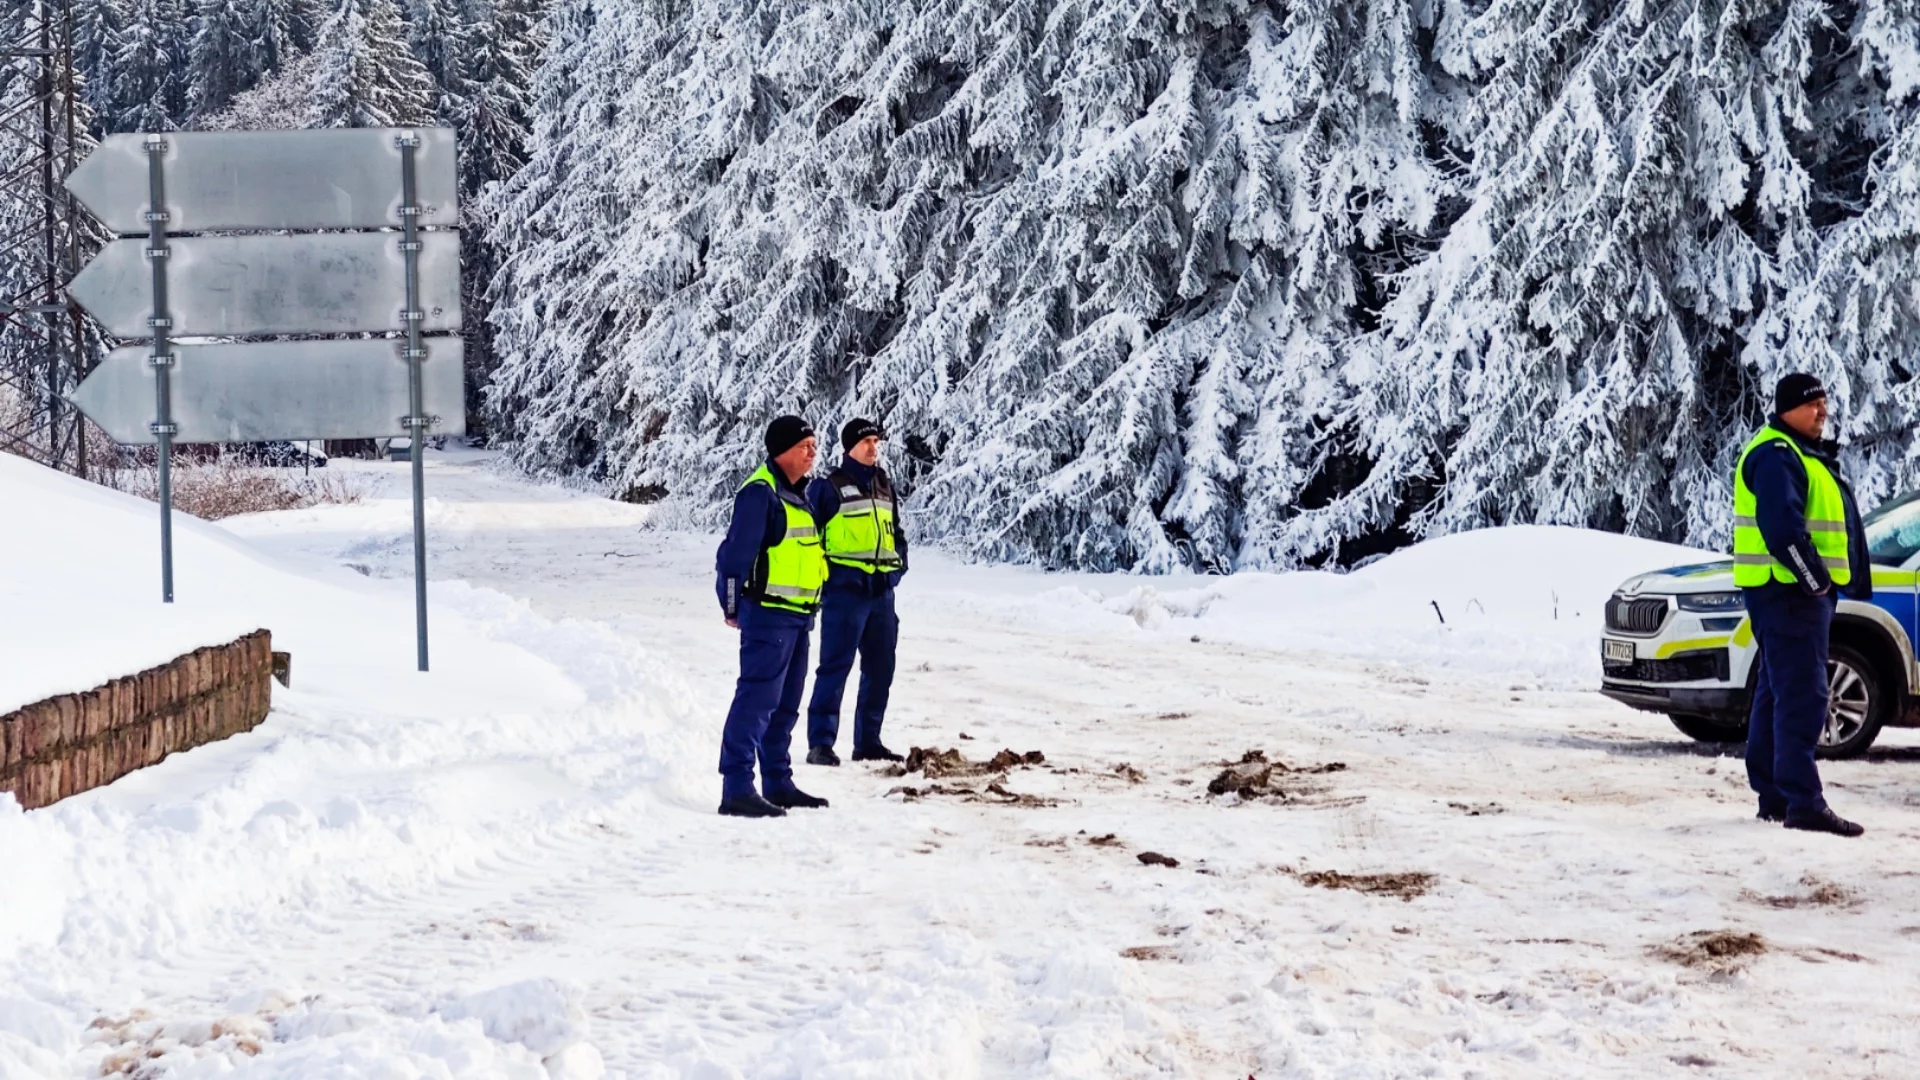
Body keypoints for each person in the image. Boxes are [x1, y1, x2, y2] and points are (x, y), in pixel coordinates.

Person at [1732, 373, 1872, 837]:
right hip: (1790, 592)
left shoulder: (1795, 453)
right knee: (1803, 697)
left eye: (1824, 403)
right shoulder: (1777, 455)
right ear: (1787, 408)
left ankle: (1775, 796)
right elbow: (1782, 528)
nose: (1822, 411)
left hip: (1789, 593)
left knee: (1777, 693)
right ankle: (1803, 803)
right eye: (1813, 404)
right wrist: (1814, 581)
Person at [713, 416, 832, 818]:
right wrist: (731, 606)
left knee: (785, 704)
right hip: (768, 617)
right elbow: (733, 557)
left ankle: (778, 782)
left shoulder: (803, 494)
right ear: (781, 451)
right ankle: (736, 787)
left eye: (814, 445)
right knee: (757, 700)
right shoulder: (759, 494)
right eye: (804, 446)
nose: (812, 452)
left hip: (799, 618)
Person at [804, 418, 908, 766]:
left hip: (881, 595)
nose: (873, 447)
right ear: (849, 447)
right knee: (834, 668)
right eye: (866, 442)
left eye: (876, 441)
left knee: (881, 668)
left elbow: (896, 531)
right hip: (845, 595)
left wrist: (899, 567)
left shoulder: (883, 484)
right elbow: (809, 539)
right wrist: (824, 583)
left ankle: (868, 741)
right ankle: (820, 743)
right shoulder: (828, 487)